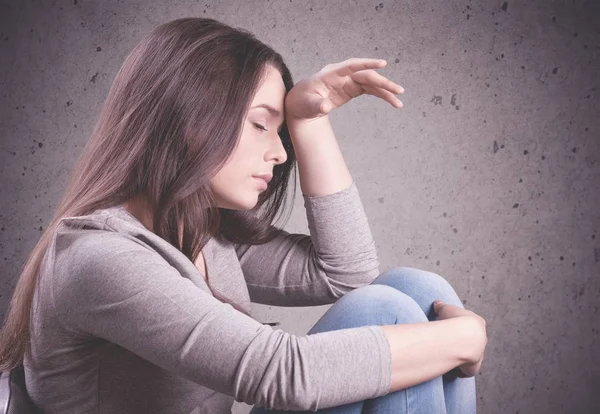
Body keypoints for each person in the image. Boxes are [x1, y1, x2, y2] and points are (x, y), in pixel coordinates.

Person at [0, 17, 487, 413]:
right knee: (392, 314)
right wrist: (464, 337)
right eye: (261, 125)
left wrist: (308, 121)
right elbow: (284, 376)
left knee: (418, 294)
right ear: (193, 120)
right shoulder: (99, 257)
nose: (280, 154)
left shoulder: (200, 235)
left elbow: (347, 275)